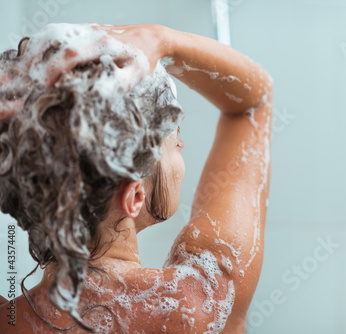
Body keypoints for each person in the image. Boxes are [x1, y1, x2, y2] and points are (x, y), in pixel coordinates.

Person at [0, 23, 273, 333]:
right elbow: (253, 103)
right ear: (133, 197)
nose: (180, 144)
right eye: (172, 140)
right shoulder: (202, 305)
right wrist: (162, 38)